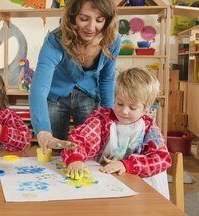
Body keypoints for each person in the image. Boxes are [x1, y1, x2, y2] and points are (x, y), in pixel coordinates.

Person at [29, 0, 121, 154]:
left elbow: (107, 79)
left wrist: (108, 118)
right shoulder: (55, 41)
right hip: (55, 97)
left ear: (107, 20)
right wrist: (42, 131)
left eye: (99, 20)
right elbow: (38, 89)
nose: (91, 27)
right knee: (54, 151)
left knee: (90, 150)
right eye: (84, 18)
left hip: (89, 96)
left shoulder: (113, 40)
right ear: (72, 16)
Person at [62, 67, 171, 199]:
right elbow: (79, 140)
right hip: (104, 182)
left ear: (146, 107)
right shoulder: (103, 119)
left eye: (132, 107)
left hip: (138, 186)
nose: (124, 111)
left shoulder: (149, 128)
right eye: (119, 103)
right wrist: (75, 158)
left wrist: (127, 164)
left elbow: (162, 158)